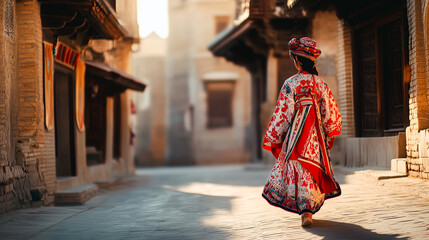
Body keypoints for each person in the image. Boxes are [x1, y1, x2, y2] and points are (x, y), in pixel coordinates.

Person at [261, 37, 342, 227]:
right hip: (316, 139)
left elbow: (283, 113)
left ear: (297, 61)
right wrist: (328, 132)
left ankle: (304, 211)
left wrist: (275, 135)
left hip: (296, 137)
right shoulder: (320, 84)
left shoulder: (291, 83)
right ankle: (308, 209)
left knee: (298, 169)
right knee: (313, 169)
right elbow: (330, 112)